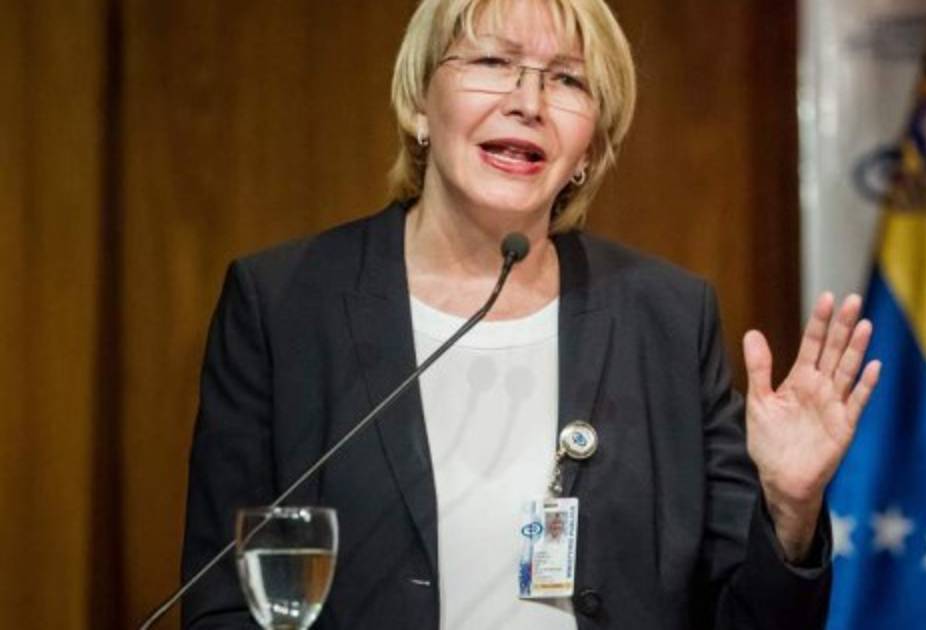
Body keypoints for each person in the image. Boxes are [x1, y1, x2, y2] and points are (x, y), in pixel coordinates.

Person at [180, 0, 882, 627]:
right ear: (419, 103)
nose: (529, 102)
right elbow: (224, 602)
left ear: (589, 150)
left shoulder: (666, 318)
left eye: (568, 79)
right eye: (493, 62)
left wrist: (790, 507)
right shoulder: (284, 305)